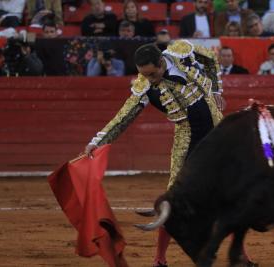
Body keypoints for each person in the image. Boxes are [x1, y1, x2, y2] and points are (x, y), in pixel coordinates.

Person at [82, 40, 225, 267]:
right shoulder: (145, 86)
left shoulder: (181, 51)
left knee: (228, 189)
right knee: (172, 197)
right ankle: (159, 259)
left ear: (161, 62)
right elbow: (124, 116)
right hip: (187, 133)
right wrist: (98, 141)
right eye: (144, 75)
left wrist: (216, 89)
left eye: (151, 73)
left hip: (216, 124)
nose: (150, 79)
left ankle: (241, 256)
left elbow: (210, 58)